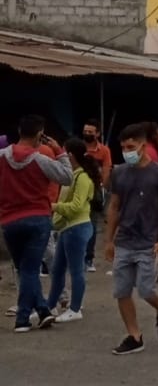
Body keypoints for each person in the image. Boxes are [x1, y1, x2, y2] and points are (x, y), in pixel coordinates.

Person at [104, 123, 158, 354]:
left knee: (146, 289)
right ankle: (134, 336)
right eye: (123, 148)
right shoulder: (119, 173)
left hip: (148, 242)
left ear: (143, 146)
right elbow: (114, 206)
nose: (127, 152)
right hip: (125, 240)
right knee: (122, 290)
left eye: (131, 147)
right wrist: (109, 240)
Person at [0, 115, 73, 333]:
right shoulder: (41, 160)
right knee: (30, 270)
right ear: (41, 135)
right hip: (37, 218)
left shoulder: (2, 156)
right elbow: (67, 177)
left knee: (24, 269)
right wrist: (59, 151)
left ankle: (42, 310)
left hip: (9, 220)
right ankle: (23, 318)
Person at [46, 138, 103, 323]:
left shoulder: (82, 178)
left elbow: (77, 206)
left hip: (77, 227)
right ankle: (49, 306)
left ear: (70, 155)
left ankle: (75, 308)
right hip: (67, 228)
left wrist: (54, 207)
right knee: (57, 270)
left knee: (76, 270)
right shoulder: (72, 175)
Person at [81, 118, 112, 273]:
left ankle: (89, 258)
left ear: (97, 134)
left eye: (90, 131)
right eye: (85, 131)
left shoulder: (104, 151)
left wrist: (102, 188)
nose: (87, 133)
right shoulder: (78, 147)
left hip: (94, 192)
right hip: (77, 190)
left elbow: (106, 170)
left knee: (91, 225)